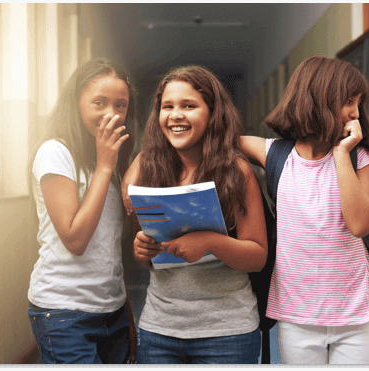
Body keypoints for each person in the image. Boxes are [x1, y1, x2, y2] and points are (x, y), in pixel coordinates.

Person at [239, 56, 369, 364]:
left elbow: (360, 225)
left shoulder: (361, 158)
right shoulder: (276, 154)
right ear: (318, 97)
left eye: (358, 103)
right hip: (297, 315)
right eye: (348, 101)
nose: (355, 112)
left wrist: (342, 153)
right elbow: (214, 143)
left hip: (355, 316)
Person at [121, 65, 267, 364]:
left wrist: (210, 242)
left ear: (212, 114)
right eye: (168, 107)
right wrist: (141, 249)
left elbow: (257, 255)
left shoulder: (236, 171)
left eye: (189, 106)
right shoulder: (150, 168)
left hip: (228, 333)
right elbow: (149, 254)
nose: (176, 115)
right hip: (158, 329)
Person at [27, 58, 137, 363]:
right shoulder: (55, 152)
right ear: (76, 104)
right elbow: (75, 241)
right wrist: (104, 167)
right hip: (64, 313)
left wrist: (127, 316)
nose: (111, 114)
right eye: (99, 103)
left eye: (121, 105)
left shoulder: (109, 162)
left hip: (112, 312)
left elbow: (109, 251)